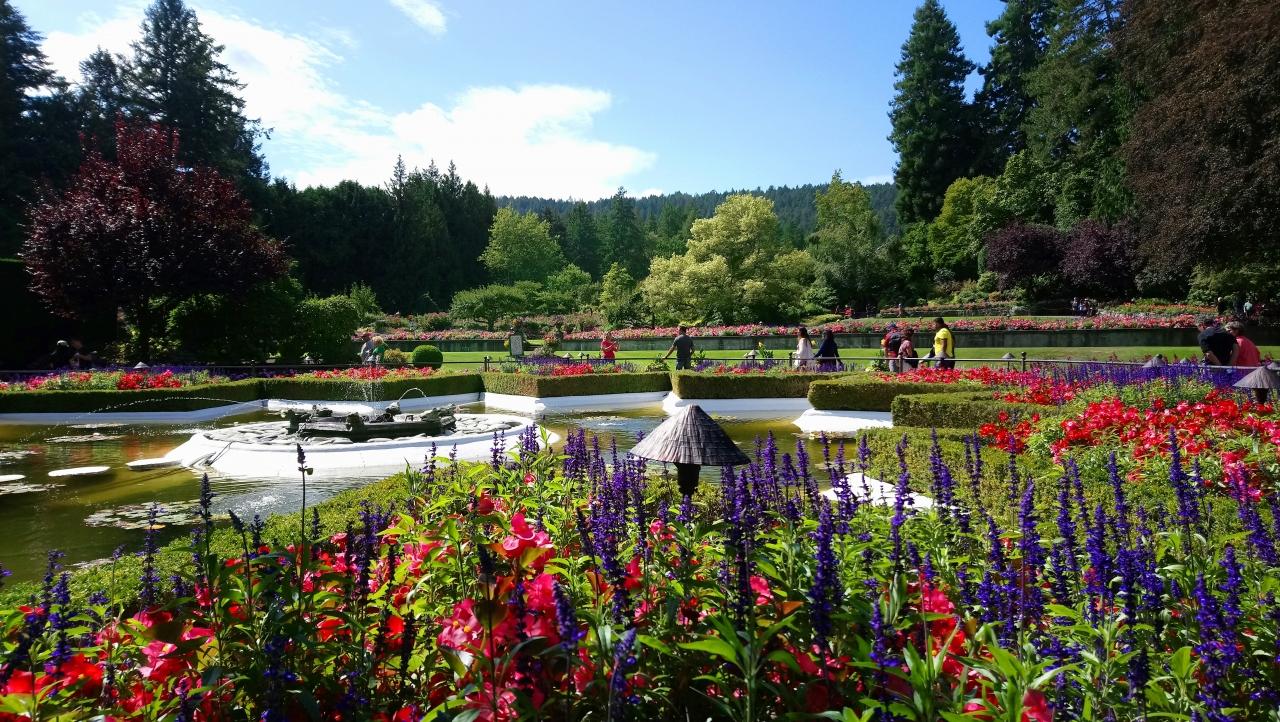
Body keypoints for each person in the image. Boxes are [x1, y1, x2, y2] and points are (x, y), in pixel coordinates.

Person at [1226, 321, 1267, 402]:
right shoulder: (1249, 341)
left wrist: (1227, 369)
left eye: (1229, 330)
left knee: (1241, 399)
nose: (1227, 332)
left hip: (1242, 374)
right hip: (1253, 373)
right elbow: (1258, 356)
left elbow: (1232, 358)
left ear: (1236, 330)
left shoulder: (1237, 342)